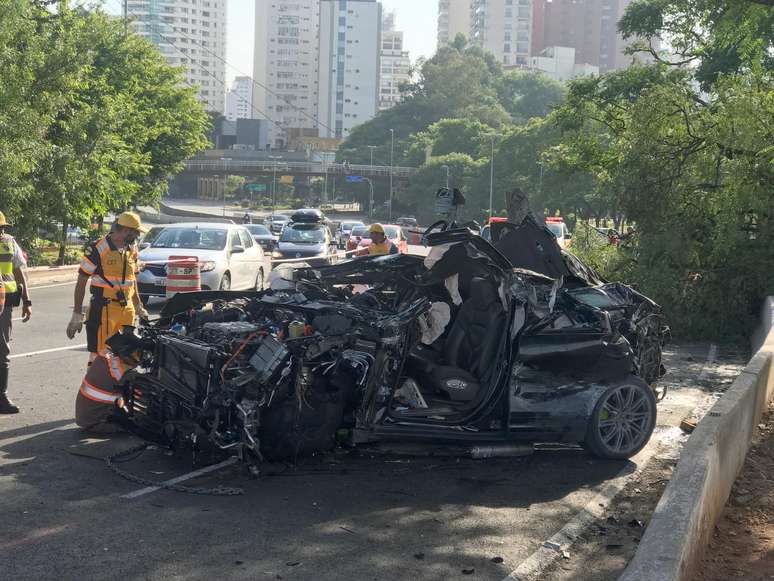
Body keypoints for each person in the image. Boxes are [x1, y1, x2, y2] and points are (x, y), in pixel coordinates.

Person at [66, 212, 148, 360]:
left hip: (127, 311)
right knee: (101, 356)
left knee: (128, 355)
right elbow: (81, 281)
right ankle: (95, 383)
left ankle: (122, 383)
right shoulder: (98, 249)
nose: (137, 236)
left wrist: (138, 306)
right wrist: (76, 314)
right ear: (125, 231)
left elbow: (132, 279)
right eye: (135, 233)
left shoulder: (132, 249)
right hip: (104, 310)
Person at [0, 212, 32, 414]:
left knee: (2, 351)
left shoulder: (9, 242)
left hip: (4, 304)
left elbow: (20, 271)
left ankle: (1, 397)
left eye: (2, 228)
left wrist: (27, 300)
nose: (2, 232)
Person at [75, 340, 138, 433]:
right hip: (98, 423)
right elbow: (143, 398)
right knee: (139, 426)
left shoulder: (104, 358)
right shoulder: (122, 373)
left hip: (85, 418)